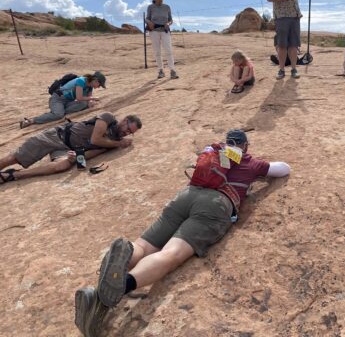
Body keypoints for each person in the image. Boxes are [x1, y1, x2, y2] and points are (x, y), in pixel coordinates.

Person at [73, 129, 291, 337]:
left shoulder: (214, 151)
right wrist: (255, 168)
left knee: (145, 245)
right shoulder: (249, 161)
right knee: (171, 254)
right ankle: (121, 287)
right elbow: (283, 168)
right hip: (216, 204)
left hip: (186, 195)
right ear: (244, 145)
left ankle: (119, 262)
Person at [0, 113, 141, 185]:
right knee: (16, 157)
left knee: (61, 166)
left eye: (130, 132)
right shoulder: (108, 118)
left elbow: (88, 154)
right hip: (57, 136)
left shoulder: (111, 143)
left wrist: (74, 158)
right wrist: (119, 144)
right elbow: (95, 139)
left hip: (68, 149)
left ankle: (13, 175)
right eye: (127, 128)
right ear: (124, 120)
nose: (126, 133)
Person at [266, 0, 316, 80]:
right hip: (282, 17)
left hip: (295, 17)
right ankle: (281, 70)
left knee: (294, 45)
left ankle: (294, 69)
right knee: (282, 45)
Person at [19, 71, 106, 129]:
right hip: (58, 98)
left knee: (84, 104)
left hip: (68, 101)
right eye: (99, 85)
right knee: (58, 115)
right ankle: (32, 120)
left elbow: (88, 97)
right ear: (95, 80)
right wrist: (93, 99)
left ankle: (58, 112)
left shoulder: (90, 85)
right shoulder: (81, 81)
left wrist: (90, 101)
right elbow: (79, 97)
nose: (98, 87)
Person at [145, 0, 179, 80]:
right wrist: (149, 22)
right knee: (157, 52)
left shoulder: (167, 7)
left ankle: (172, 71)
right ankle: (160, 71)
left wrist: (168, 23)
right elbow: (147, 18)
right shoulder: (150, 7)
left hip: (164, 30)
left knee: (168, 50)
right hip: (154, 31)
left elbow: (171, 20)